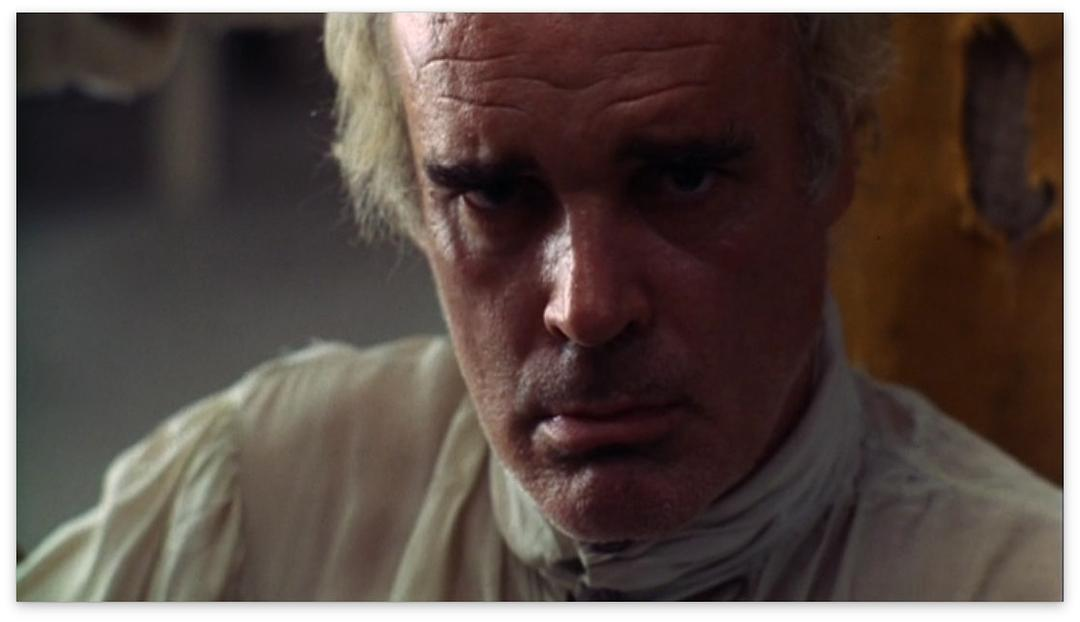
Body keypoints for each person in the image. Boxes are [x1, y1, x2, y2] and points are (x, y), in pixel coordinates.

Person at [17, 13, 1062, 601]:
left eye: (682, 179)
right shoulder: (263, 510)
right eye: (492, 194)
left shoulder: (1017, 584)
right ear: (411, 197)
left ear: (834, 156)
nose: (586, 306)